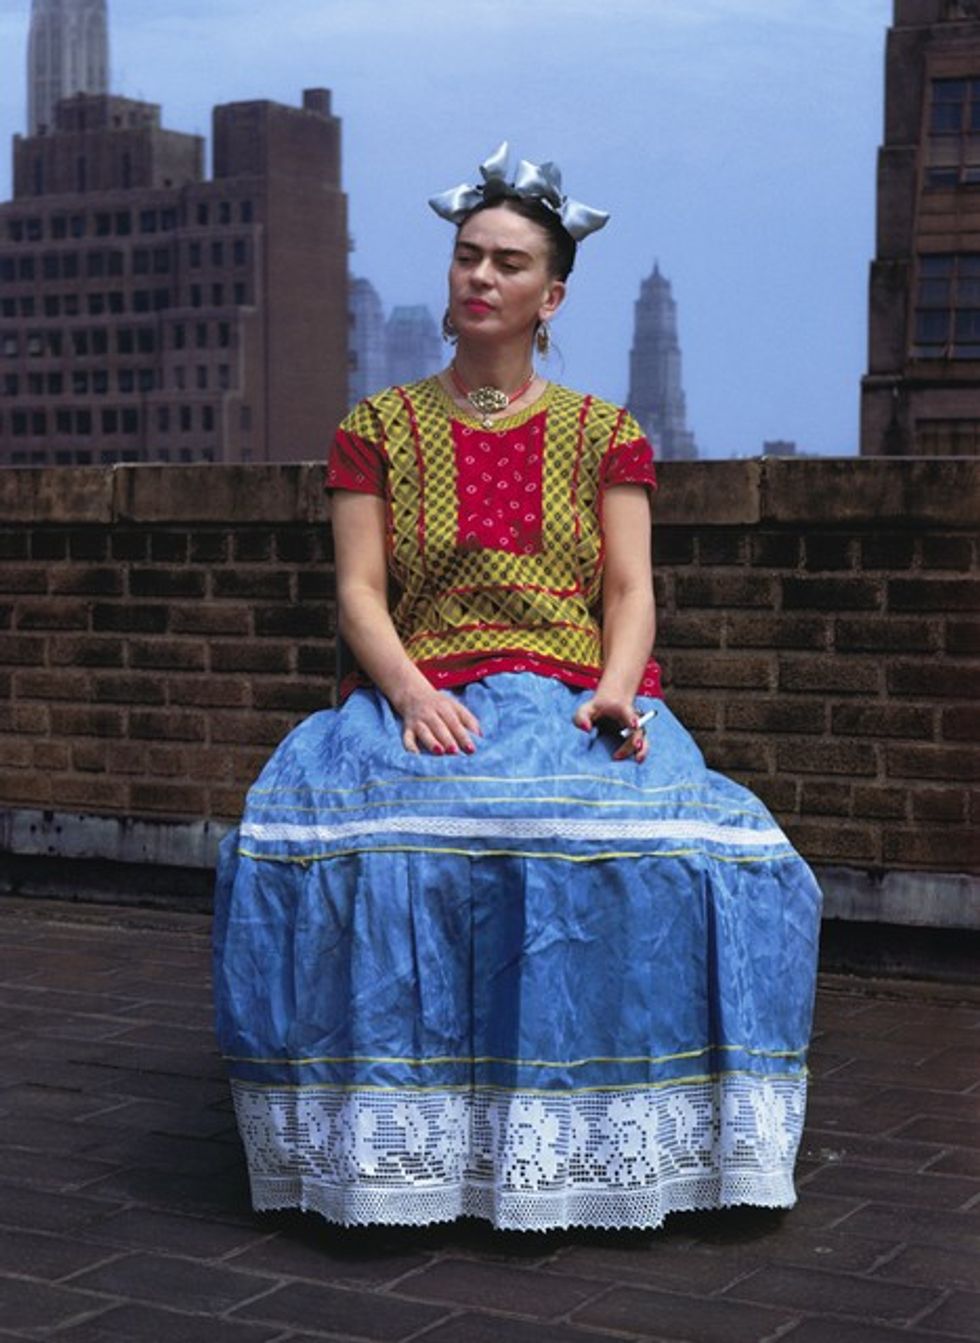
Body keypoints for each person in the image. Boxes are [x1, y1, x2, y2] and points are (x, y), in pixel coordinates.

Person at [213, 143, 822, 1233]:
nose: (478, 278)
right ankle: (413, 1146)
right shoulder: (377, 430)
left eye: (506, 262)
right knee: (384, 847)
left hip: (576, 688)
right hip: (426, 683)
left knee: (682, 855)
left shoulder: (604, 433)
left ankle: (599, 1135)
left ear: (552, 294)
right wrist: (404, 693)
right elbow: (358, 592)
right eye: (465, 258)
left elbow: (630, 590)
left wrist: (619, 690)